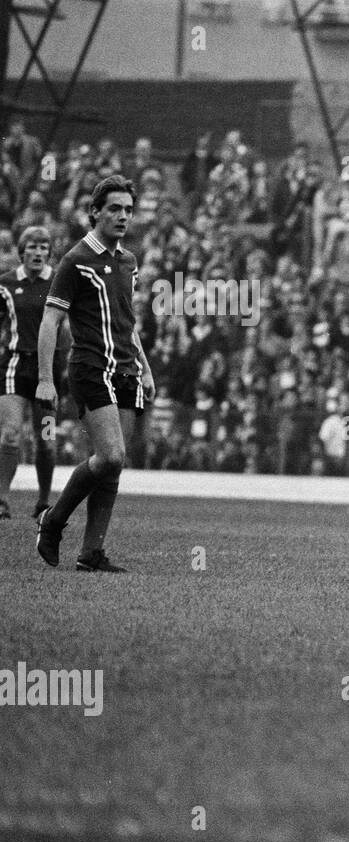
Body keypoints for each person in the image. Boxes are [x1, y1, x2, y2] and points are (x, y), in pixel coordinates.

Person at [34, 175, 154, 572]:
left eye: (128, 210)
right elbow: (51, 320)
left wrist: (146, 367)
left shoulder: (128, 261)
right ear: (95, 213)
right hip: (90, 366)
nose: (123, 216)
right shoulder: (75, 260)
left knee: (114, 463)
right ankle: (52, 521)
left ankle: (91, 552)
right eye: (115, 209)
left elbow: (127, 320)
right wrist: (46, 379)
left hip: (126, 369)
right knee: (111, 455)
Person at [0, 226, 68, 520]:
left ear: (49, 253)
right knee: (11, 433)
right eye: (32, 247)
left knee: (47, 441)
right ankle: (1, 500)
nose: (38, 252)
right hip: (14, 366)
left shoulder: (58, 283)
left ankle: (42, 502)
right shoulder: (4, 285)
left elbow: (68, 327)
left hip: (49, 372)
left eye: (43, 247)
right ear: (22, 251)